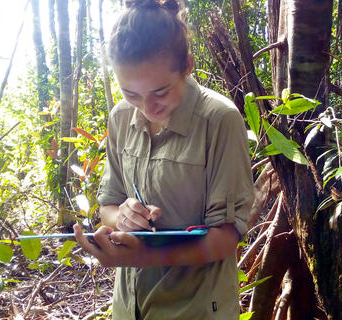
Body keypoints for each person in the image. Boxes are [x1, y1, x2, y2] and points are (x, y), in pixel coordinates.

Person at [73, 0, 254, 318]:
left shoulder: (218, 120)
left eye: (160, 92)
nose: (146, 107)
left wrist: (142, 256)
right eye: (131, 93)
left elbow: (227, 238)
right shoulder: (120, 117)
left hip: (196, 308)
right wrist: (124, 219)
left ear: (187, 65)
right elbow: (108, 206)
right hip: (129, 306)